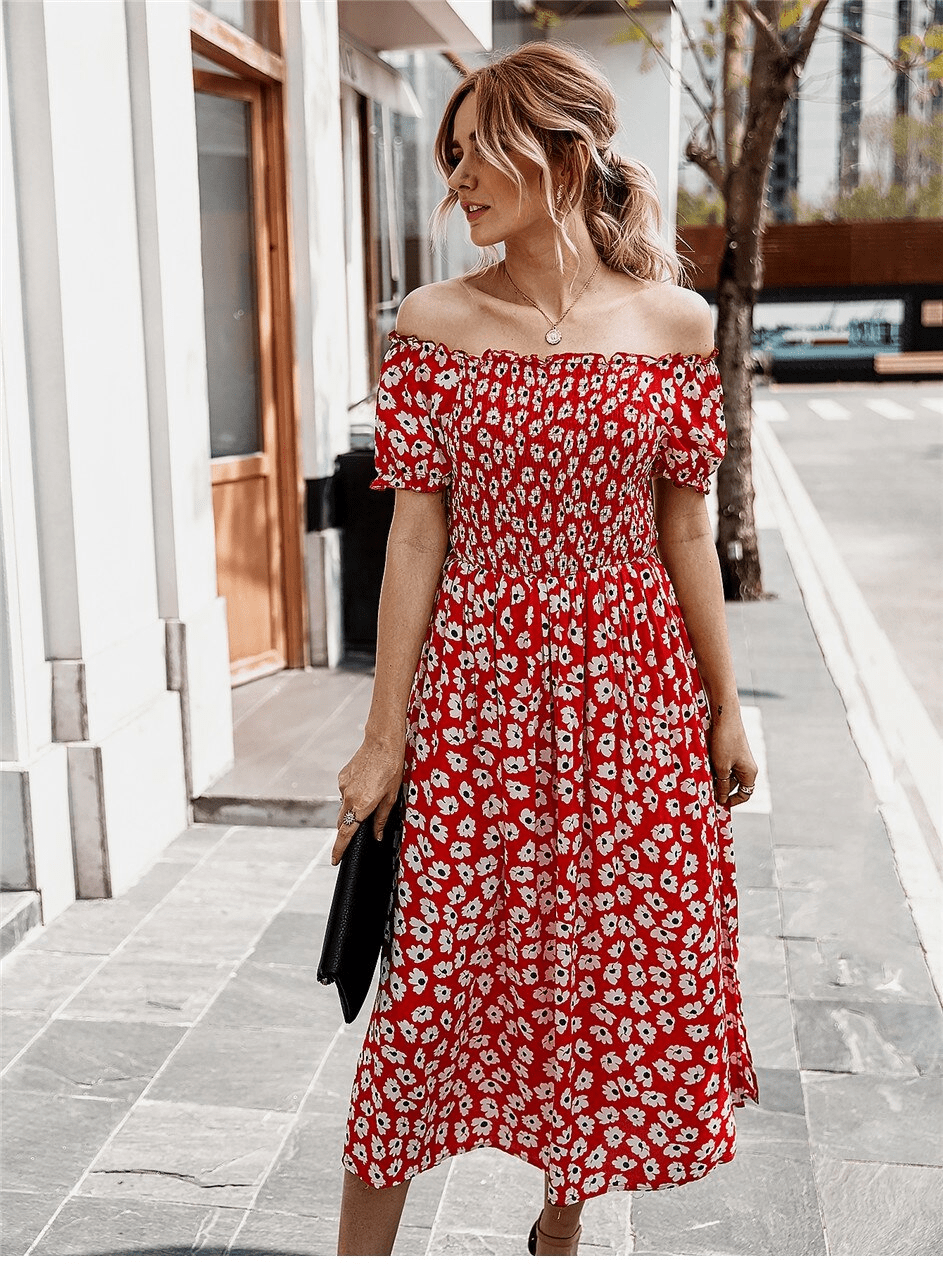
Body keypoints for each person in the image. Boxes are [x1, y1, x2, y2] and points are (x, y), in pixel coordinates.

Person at [330, 41, 759, 1258]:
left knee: (601, 963)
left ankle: (557, 1229)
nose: (456, 180)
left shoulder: (675, 323)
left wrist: (725, 704)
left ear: (561, 157)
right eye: (449, 156)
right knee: (434, 982)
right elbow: (414, 535)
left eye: (477, 153)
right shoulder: (433, 321)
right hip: (478, 685)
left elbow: (685, 528)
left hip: (633, 686)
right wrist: (382, 738)